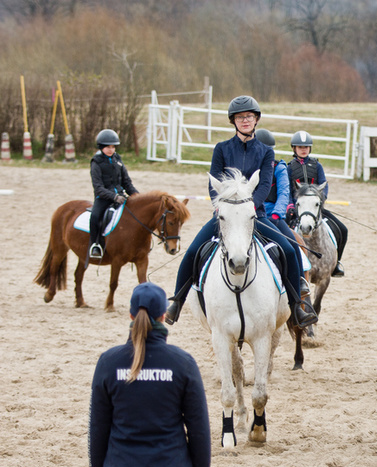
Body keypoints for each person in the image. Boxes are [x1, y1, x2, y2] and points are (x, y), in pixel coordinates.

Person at [89, 282, 211, 467]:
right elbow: (199, 429)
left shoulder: (109, 361)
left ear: (131, 315)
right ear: (164, 316)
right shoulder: (182, 362)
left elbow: (98, 428)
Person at [164, 96, 317, 328]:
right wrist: (219, 205)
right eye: (240, 117)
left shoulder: (265, 152)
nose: (245, 120)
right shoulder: (222, 149)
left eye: (249, 116)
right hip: (225, 215)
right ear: (233, 121)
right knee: (193, 250)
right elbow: (213, 182)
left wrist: (251, 207)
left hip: (255, 214)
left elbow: (264, 184)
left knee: (288, 248)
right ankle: (177, 301)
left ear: (256, 120)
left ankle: (297, 306)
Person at [286, 130, 348, 277]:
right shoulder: (290, 168)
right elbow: (287, 188)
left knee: (342, 229)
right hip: (297, 209)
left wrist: (321, 200)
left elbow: (323, 185)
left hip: (315, 209)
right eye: (300, 147)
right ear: (294, 148)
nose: (303, 150)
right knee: (284, 233)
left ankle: (336, 263)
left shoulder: (316, 165)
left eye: (306, 147)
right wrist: (290, 205)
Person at [89, 129, 139, 260]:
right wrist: (114, 197)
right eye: (108, 147)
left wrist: (137, 196)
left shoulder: (118, 159)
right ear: (101, 147)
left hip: (121, 197)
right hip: (104, 198)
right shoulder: (96, 162)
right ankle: (95, 244)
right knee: (95, 216)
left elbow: (126, 182)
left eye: (113, 147)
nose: (111, 150)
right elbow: (98, 187)